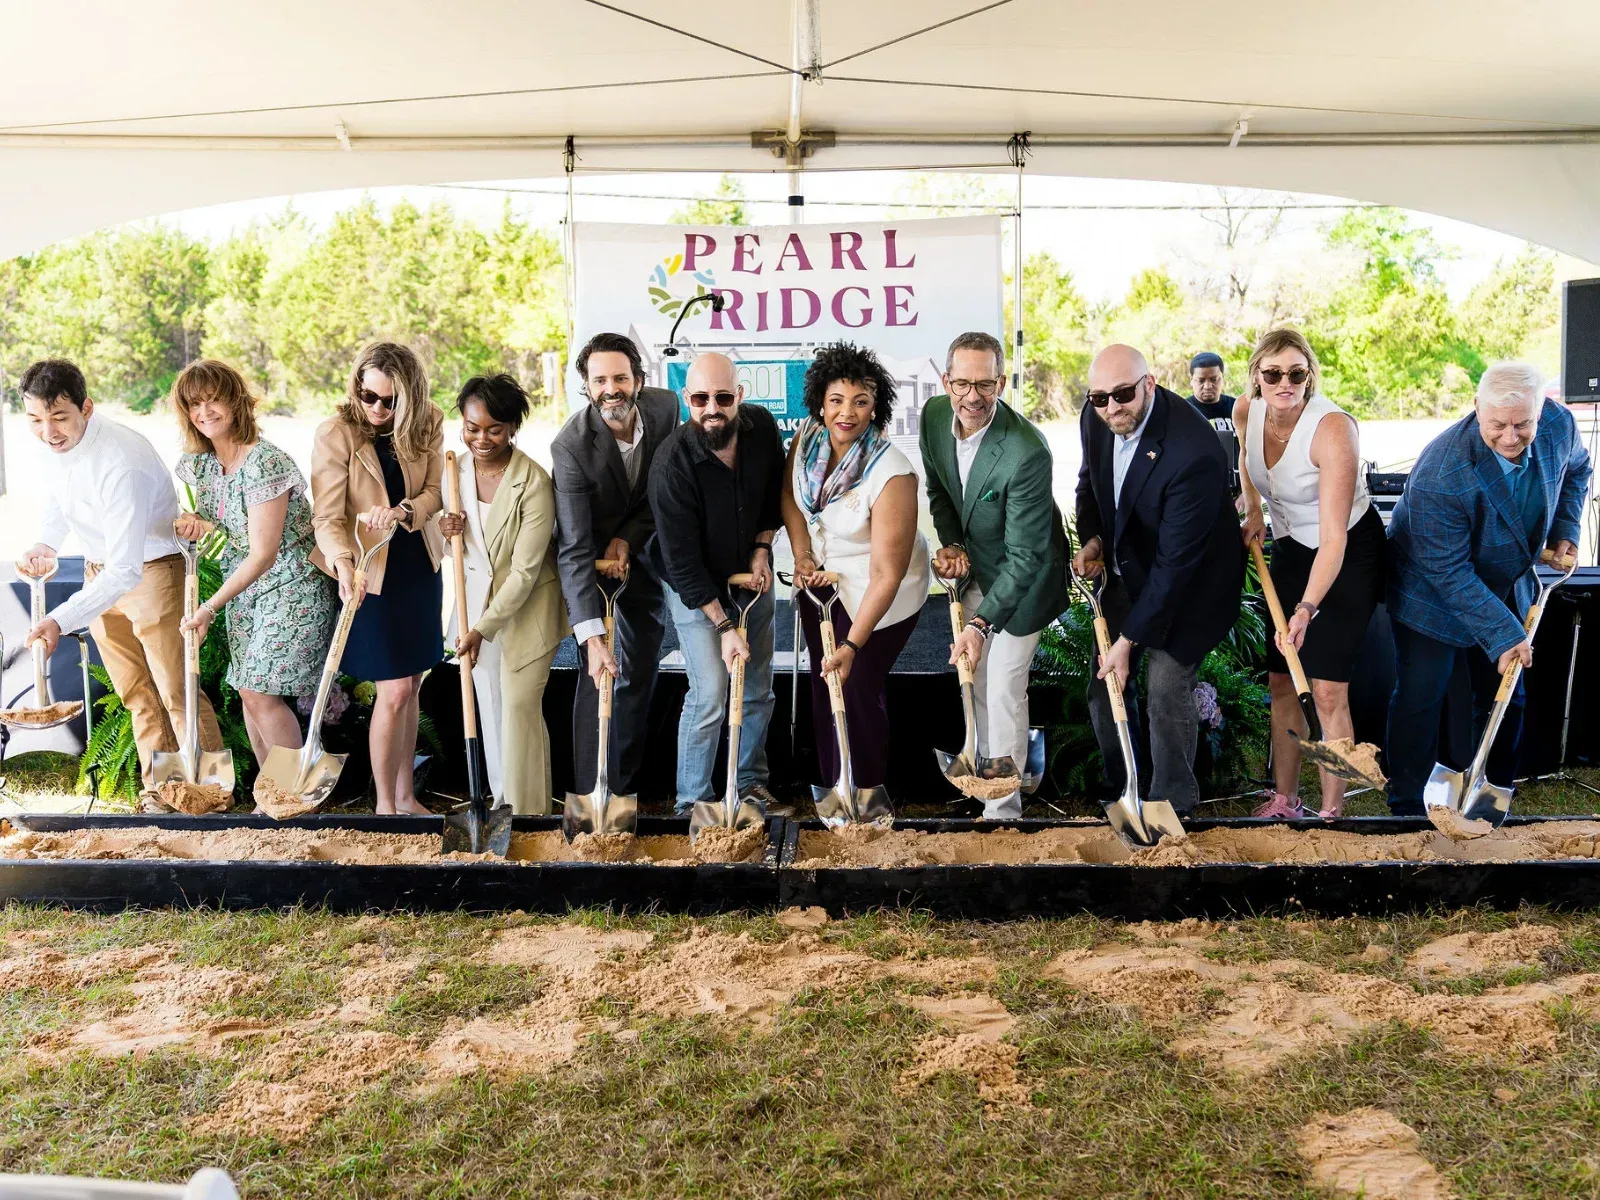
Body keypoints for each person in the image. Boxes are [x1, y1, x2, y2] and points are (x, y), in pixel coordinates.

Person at [1385, 361, 1590, 816]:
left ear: (1541, 410)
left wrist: (1565, 528)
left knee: (1507, 694)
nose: (1511, 437)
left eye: (1522, 424)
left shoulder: (1558, 425)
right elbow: (1448, 571)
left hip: (1504, 578)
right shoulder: (1442, 471)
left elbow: (1578, 469)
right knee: (1422, 694)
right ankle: (1406, 805)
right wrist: (1503, 633)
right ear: (1477, 408)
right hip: (1429, 585)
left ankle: (1491, 792)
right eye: (1497, 425)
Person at [15, 358, 224, 792]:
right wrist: (46, 544)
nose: (48, 432)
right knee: (136, 694)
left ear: (86, 407)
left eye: (59, 418)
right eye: (35, 419)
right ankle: (163, 792)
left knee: (178, 692)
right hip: (100, 574)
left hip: (151, 574)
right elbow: (62, 497)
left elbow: (125, 570)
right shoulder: (59, 446)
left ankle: (212, 794)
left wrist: (58, 620)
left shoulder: (121, 461)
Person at [1073, 344, 1243, 817]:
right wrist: (1094, 540)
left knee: (1166, 687)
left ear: (1149, 384)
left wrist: (1128, 641)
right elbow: (1090, 484)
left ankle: (1172, 804)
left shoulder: (1193, 451)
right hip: (1129, 566)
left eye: (1123, 395)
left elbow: (1174, 569)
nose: (1111, 408)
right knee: (1104, 683)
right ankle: (1125, 788)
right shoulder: (1097, 417)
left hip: (1191, 585)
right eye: (1100, 398)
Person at [1236, 330, 1385, 819]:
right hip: (1291, 547)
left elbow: (1334, 538)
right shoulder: (1246, 410)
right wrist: (1253, 508)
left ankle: (1331, 811)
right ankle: (1285, 800)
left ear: (1309, 376)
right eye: (1273, 373)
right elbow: (1245, 458)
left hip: (1347, 552)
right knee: (1282, 679)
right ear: (1257, 376)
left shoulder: (1334, 430)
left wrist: (1305, 608)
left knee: (1326, 689)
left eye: (1296, 373)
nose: (1285, 383)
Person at [921, 331, 1069, 819]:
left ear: (1001, 383)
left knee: (1003, 684)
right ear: (946, 382)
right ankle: (989, 783)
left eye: (985, 385)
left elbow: (1025, 556)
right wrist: (953, 543)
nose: (973, 397)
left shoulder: (1027, 450)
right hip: (977, 569)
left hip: (1025, 579)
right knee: (978, 680)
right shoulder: (933, 416)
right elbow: (940, 490)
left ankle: (1003, 811)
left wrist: (981, 625)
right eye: (962, 384)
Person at [170, 359, 338, 773]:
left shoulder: (264, 462)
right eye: (194, 404)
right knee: (250, 693)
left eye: (214, 400)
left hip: (292, 584)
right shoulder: (205, 463)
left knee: (259, 691)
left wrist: (208, 608)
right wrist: (197, 522)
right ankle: (271, 795)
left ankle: (290, 793)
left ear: (237, 402)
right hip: (247, 591)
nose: (205, 412)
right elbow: (223, 520)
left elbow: (264, 553)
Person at [782, 342, 929, 797]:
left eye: (860, 402)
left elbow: (887, 574)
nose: (847, 413)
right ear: (820, 404)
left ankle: (866, 795)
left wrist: (850, 644)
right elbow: (789, 497)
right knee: (825, 685)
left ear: (875, 407)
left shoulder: (892, 472)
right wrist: (802, 554)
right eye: (836, 400)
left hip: (881, 589)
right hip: (823, 580)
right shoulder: (807, 438)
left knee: (856, 686)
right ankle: (836, 791)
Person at [311, 341, 443, 817]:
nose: (378, 409)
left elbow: (435, 491)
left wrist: (404, 510)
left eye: (390, 401)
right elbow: (326, 518)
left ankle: (406, 797)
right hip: (368, 571)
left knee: (412, 687)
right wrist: (343, 564)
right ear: (356, 387)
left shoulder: (428, 421)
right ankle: (385, 808)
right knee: (394, 690)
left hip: (417, 566)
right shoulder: (335, 433)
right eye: (368, 396)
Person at [647, 351, 783, 816]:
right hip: (694, 585)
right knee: (709, 693)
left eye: (723, 398)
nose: (712, 409)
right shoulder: (671, 464)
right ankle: (692, 801)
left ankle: (749, 783)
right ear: (687, 398)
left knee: (758, 687)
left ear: (739, 396)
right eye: (701, 398)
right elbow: (681, 563)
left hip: (751, 574)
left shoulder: (761, 428)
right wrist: (724, 627)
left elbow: (773, 497)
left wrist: (762, 549)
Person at [551, 332, 679, 801]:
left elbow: (660, 490)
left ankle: (625, 785)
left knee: (642, 662)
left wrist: (629, 538)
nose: (611, 390)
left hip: (643, 547)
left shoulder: (666, 410)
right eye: (600, 380)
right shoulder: (570, 447)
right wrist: (591, 636)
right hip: (590, 554)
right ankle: (592, 790)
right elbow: (573, 546)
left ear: (638, 380)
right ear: (586, 386)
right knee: (597, 668)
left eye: (620, 378)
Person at [437, 374, 568, 815]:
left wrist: (482, 628)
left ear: (512, 427)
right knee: (490, 710)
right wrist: (445, 531)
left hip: (526, 610)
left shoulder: (533, 481)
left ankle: (529, 814)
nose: (482, 439)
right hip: (474, 606)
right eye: (472, 428)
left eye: (494, 429)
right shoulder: (453, 472)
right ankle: (499, 807)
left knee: (517, 707)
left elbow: (526, 571)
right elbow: (461, 551)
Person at [1187, 351, 1240, 496]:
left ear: (1222, 378)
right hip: (1197, 492)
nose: (1208, 386)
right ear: (1191, 380)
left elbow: (1251, 452)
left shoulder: (1237, 408)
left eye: (1214, 379)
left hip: (1236, 492)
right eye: (1201, 380)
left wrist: (1245, 493)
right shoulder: (1182, 412)